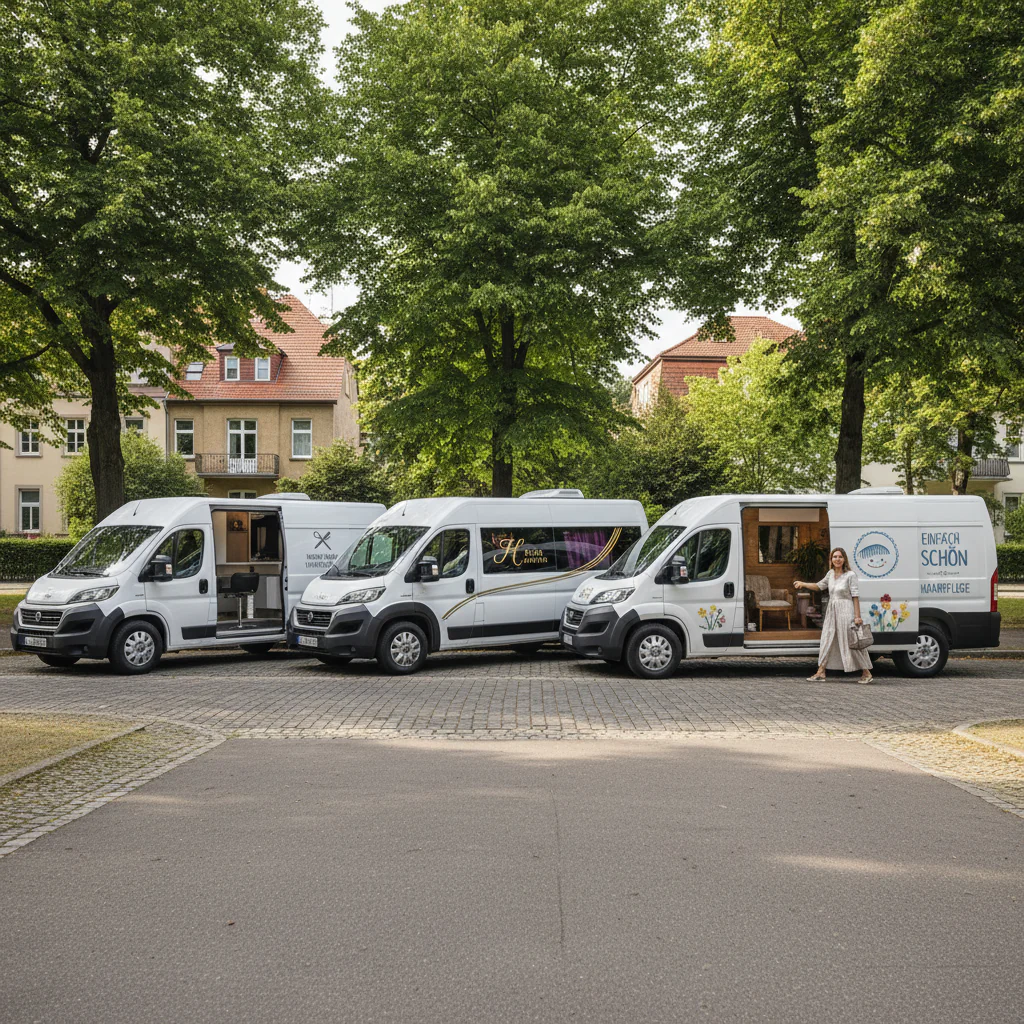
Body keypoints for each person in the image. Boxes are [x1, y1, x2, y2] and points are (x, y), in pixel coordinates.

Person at [794, 547, 873, 684]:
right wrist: (803, 584)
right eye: (835, 557)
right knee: (827, 639)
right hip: (832, 611)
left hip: (846, 610)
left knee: (850, 641)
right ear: (831, 560)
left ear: (844, 559)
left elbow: (855, 596)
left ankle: (866, 673)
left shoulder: (850, 575)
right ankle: (821, 672)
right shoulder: (830, 574)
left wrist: (857, 616)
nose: (837, 559)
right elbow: (819, 586)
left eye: (840, 557)